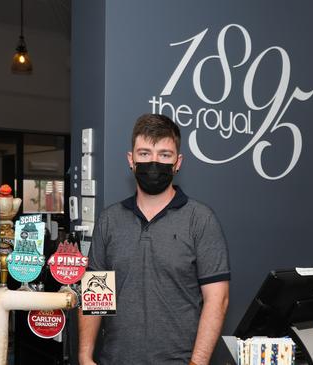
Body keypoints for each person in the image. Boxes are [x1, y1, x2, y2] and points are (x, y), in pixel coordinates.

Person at [78, 114, 230, 365]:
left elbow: (218, 299)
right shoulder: (109, 220)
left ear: (178, 162)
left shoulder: (200, 219)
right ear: (131, 160)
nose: (154, 162)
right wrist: (85, 357)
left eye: (164, 155)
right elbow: (94, 295)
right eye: (145, 153)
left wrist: (198, 362)